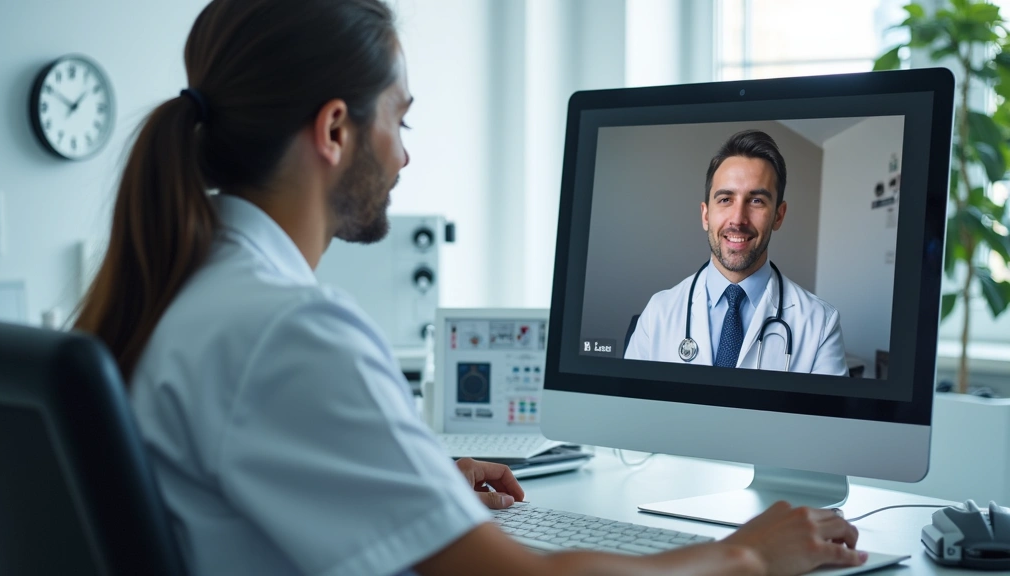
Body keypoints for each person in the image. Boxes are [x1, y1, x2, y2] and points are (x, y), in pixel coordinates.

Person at [74, 1, 865, 574]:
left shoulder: (187, 287)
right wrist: (746, 556)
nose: (404, 156)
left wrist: (409, 478)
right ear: (336, 130)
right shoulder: (292, 331)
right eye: (402, 121)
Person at [624, 130, 848, 375]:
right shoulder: (657, 313)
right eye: (725, 199)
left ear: (778, 215)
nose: (738, 219)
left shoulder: (821, 323)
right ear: (705, 215)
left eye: (756, 200)